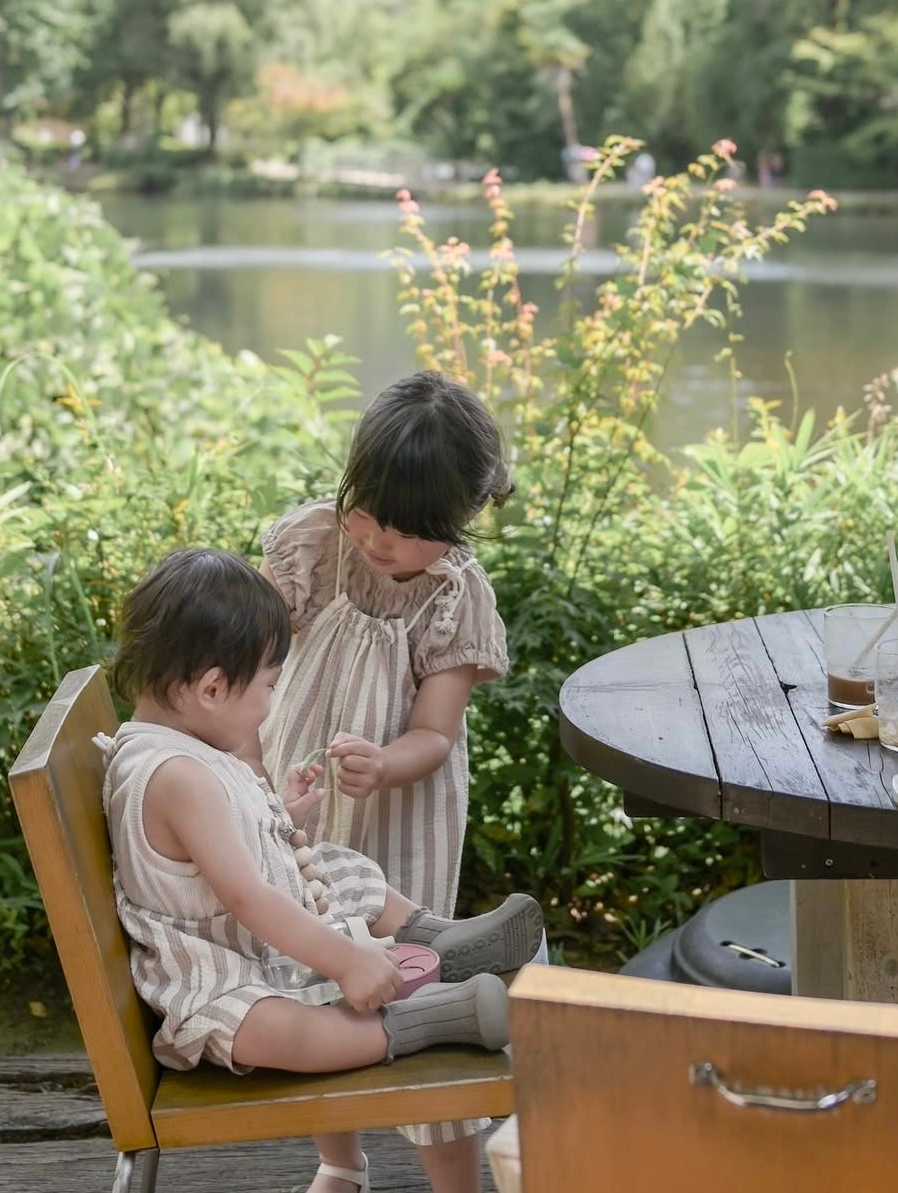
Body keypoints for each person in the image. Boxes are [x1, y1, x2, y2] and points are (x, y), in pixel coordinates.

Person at [98, 548, 544, 1193]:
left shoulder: (181, 749)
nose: (271, 705)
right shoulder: (176, 775)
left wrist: (287, 820)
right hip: (219, 968)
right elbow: (248, 897)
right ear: (212, 688)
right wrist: (344, 962)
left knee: (339, 865)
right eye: (270, 687)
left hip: (253, 937)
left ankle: (436, 940)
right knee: (281, 1033)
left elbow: (225, 863)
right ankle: (428, 1021)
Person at [257, 371, 519, 1190]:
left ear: (460, 522)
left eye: (405, 533)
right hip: (301, 791)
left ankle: (453, 1178)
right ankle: (341, 1164)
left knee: (415, 987)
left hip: (405, 809)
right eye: (365, 514)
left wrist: (386, 761)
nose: (377, 542)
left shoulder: (453, 594)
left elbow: (435, 733)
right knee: (314, 971)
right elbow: (254, 656)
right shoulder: (313, 544)